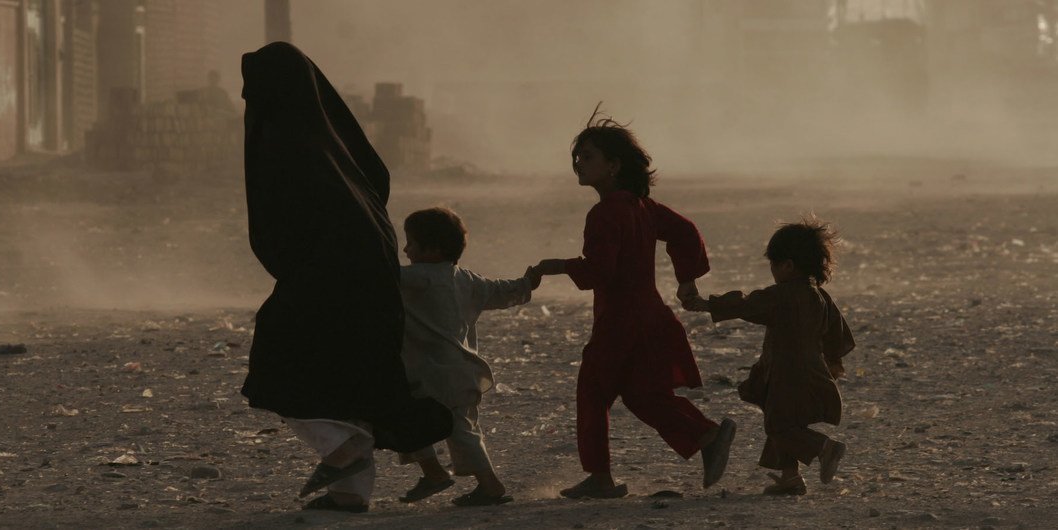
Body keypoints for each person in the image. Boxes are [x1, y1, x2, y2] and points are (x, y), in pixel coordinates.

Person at [238, 42, 452, 513]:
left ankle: (342, 448)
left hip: (327, 277)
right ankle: (349, 493)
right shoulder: (335, 147)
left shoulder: (288, 144)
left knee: (276, 360)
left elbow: (284, 221)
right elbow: (377, 183)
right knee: (355, 375)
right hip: (371, 279)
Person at [531, 111, 735, 499]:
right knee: (643, 395)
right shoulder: (643, 206)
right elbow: (686, 231)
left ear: (613, 165)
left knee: (593, 392)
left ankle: (600, 478)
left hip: (621, 321)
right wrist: (687, 279)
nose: (579, 163)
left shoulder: (606, 212)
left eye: (587, 156)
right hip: (652, 316)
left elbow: (600, 272)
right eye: (577, 157)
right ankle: (706, 435)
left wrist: (557, 266)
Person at [682, 218, 854, 495]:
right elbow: (837, 333)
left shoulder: (783, 295)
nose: (772, 271)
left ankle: (824, 448)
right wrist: (834, 361)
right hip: (812, 371)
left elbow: (748, 304)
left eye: (773, 265)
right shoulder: (820, 296)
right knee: (790, 423)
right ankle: (790, 478)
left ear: (788, 265)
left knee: (779, 427)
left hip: (787, 374)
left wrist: (707, 304)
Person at [393, 207, 540, 507]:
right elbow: (501, 291)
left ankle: (438, 474)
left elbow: (378, 278)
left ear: (433, 249)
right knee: (464, 430)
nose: (405, 250)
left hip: (427, 374)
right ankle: (487, 484)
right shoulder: (467, 279)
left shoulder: (416, 277)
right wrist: (527, 282)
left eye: (411, 243)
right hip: (462, 373)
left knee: (406, 419)